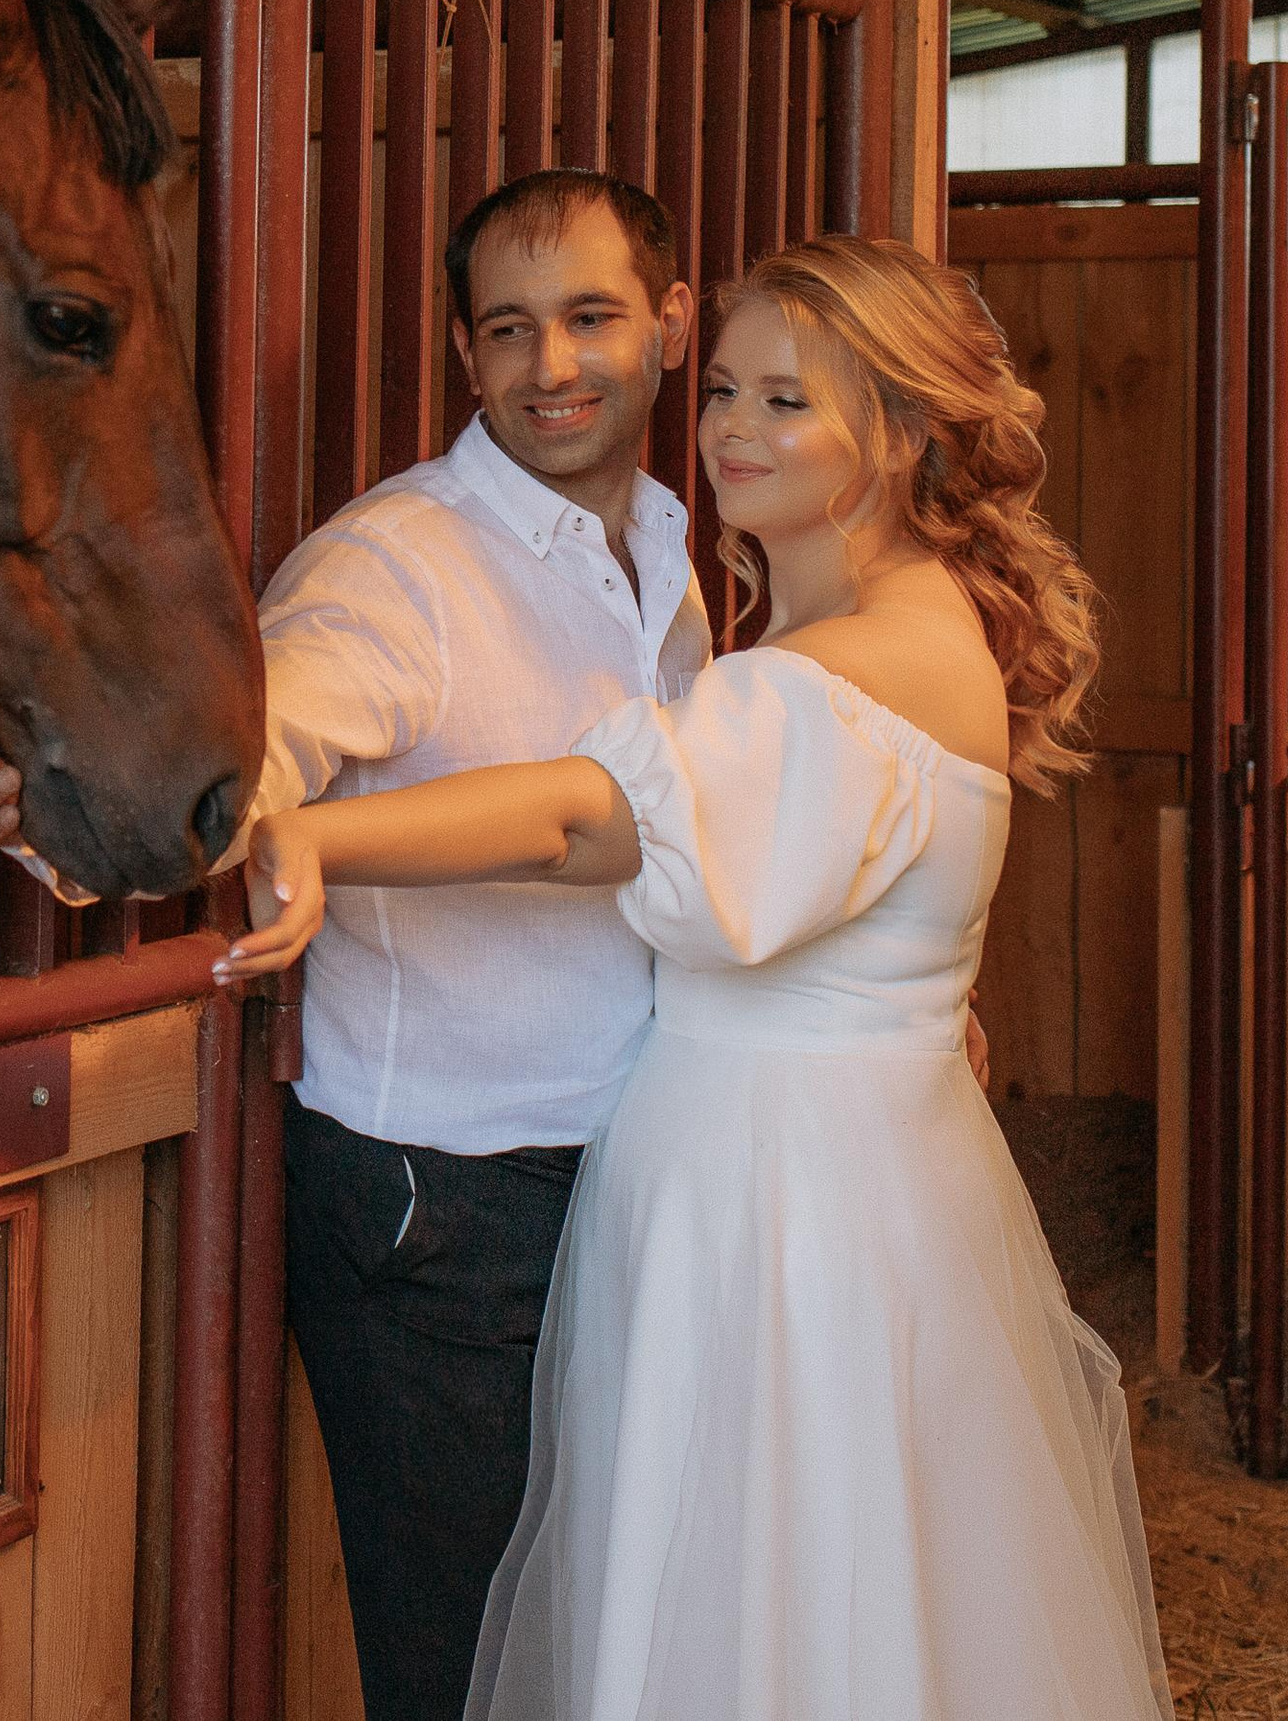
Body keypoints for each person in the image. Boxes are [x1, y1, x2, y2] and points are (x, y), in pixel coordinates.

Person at [223, 235, 1173, 1721]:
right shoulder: (828, 624)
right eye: (726, 388)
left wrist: (311, 837)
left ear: (902, 432)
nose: (732, 427)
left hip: (781, 1219)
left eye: (788, 401)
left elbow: (582, 820)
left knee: (767, 1611)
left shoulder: (836, 667)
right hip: (818, 1181)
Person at [0, 171, 702, 1720]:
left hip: (620, 1168)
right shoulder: (397, 567)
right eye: (508, 330)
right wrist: (48, 822)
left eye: (590, 318)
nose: (551, 365)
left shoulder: (671, 548)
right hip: (443, 1198)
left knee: (600, 1643)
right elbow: (252, 770)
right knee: (468, 1670)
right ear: (464, 353)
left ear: (671, 327)